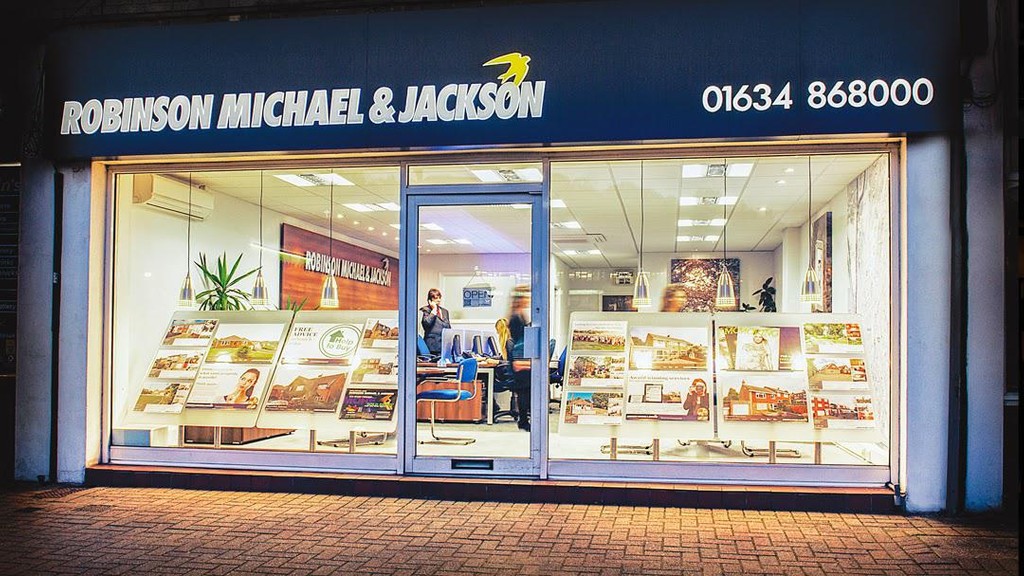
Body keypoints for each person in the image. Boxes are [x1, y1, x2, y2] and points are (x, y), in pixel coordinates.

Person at [507, 285, 532, 431]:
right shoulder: (516, 317)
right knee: (523, 391)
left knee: (526, 391)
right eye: (526, 297)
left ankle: (524, 420)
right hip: (519, 358)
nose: (528, 300)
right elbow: (518, 341)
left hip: (522, 357)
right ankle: (523, 421)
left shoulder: (520, 314)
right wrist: (520, 361)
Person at [419, 288, 451, 356]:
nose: (438, 300)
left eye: (439, 298)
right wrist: (434, 310)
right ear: (430, 300)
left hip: (443, 345)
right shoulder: (426, 310)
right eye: (436, 298)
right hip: (432, 346)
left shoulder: (445, 311)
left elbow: (448, 327)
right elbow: (426, 323)